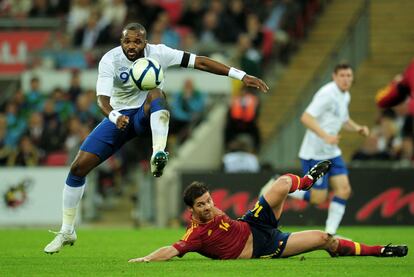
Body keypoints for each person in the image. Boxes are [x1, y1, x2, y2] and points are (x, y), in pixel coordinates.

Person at [44, 22, 268, 254]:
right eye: (126, 41)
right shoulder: (109, 59)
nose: (131, 46)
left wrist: (241, 76)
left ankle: (158, 151)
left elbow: (199, 61)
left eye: (137, 41)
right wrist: (114, 116)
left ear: (145, 42)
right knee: (78, 168)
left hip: (146, 114)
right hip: (118, 117)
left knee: (156, 92)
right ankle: (68, 229)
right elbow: (101, 99)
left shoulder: (160, 53)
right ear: (121, 42)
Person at [128, 160, 408, 262]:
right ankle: (380, 250)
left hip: (252, 223)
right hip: (267, 246)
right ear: (191, 210)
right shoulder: (196, 234)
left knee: (284, 182)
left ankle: (307, 181)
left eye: (210, 201)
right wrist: (145, 259)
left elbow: (229, 221)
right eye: (201, 205)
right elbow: (172, 250)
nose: (209, 207)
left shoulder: (212, 211)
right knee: (325, 239)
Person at [289, 63, 370, 236]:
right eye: (342, 75)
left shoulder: (345, 95)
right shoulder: (326, 94)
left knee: (344, 190)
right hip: (315, 153)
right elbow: (306, 117)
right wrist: (326, 136)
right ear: (334, 77)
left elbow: (343, 119)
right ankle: (280, 186)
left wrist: (357, 128)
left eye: (349, 75)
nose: (346, 79)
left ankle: (330, 233)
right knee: (318, 198)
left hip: (332, 152)